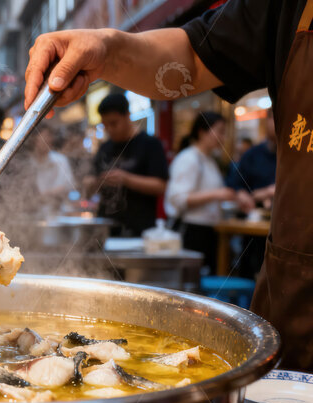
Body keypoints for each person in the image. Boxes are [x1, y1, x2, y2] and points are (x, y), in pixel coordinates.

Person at [22, 0, 313, 370]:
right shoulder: (288, 9)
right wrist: (107, 49)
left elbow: (163, 190)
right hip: (298, 311)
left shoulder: (149, 146)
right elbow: (191, 57)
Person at [83, 94, 169, 237]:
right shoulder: (104, 148)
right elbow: (88, 186)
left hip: (140, 229)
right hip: (105, 227)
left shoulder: (150, 144)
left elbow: (161, 186)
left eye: (114, 123)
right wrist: (97, 182)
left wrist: (125, 179)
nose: (110, 129)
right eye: (105, 125)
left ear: (128, 115)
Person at [164, 112, 235, 274]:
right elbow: (178, 199)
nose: (223, 137)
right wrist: (218, 194)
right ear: (202, 132)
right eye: (220, 131)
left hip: (207, 230)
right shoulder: (188, 158)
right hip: (192, 231)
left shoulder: (208, 159)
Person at [227, 109, 277, 279]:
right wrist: (243, 194)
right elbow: (235, 184)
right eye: (275, 118)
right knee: (248, 272)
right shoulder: (252, 155)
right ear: (268, 120)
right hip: (253, 226)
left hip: (285, 229)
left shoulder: (294, 156)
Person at [29, 123, 76, 218]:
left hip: (59, 214)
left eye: (50, 136)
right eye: (45, 136)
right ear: (34, 139)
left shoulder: (60, 160)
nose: (49, 140)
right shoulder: (28, 163)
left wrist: (44, 195)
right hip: (34, 215)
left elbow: (68, 186)